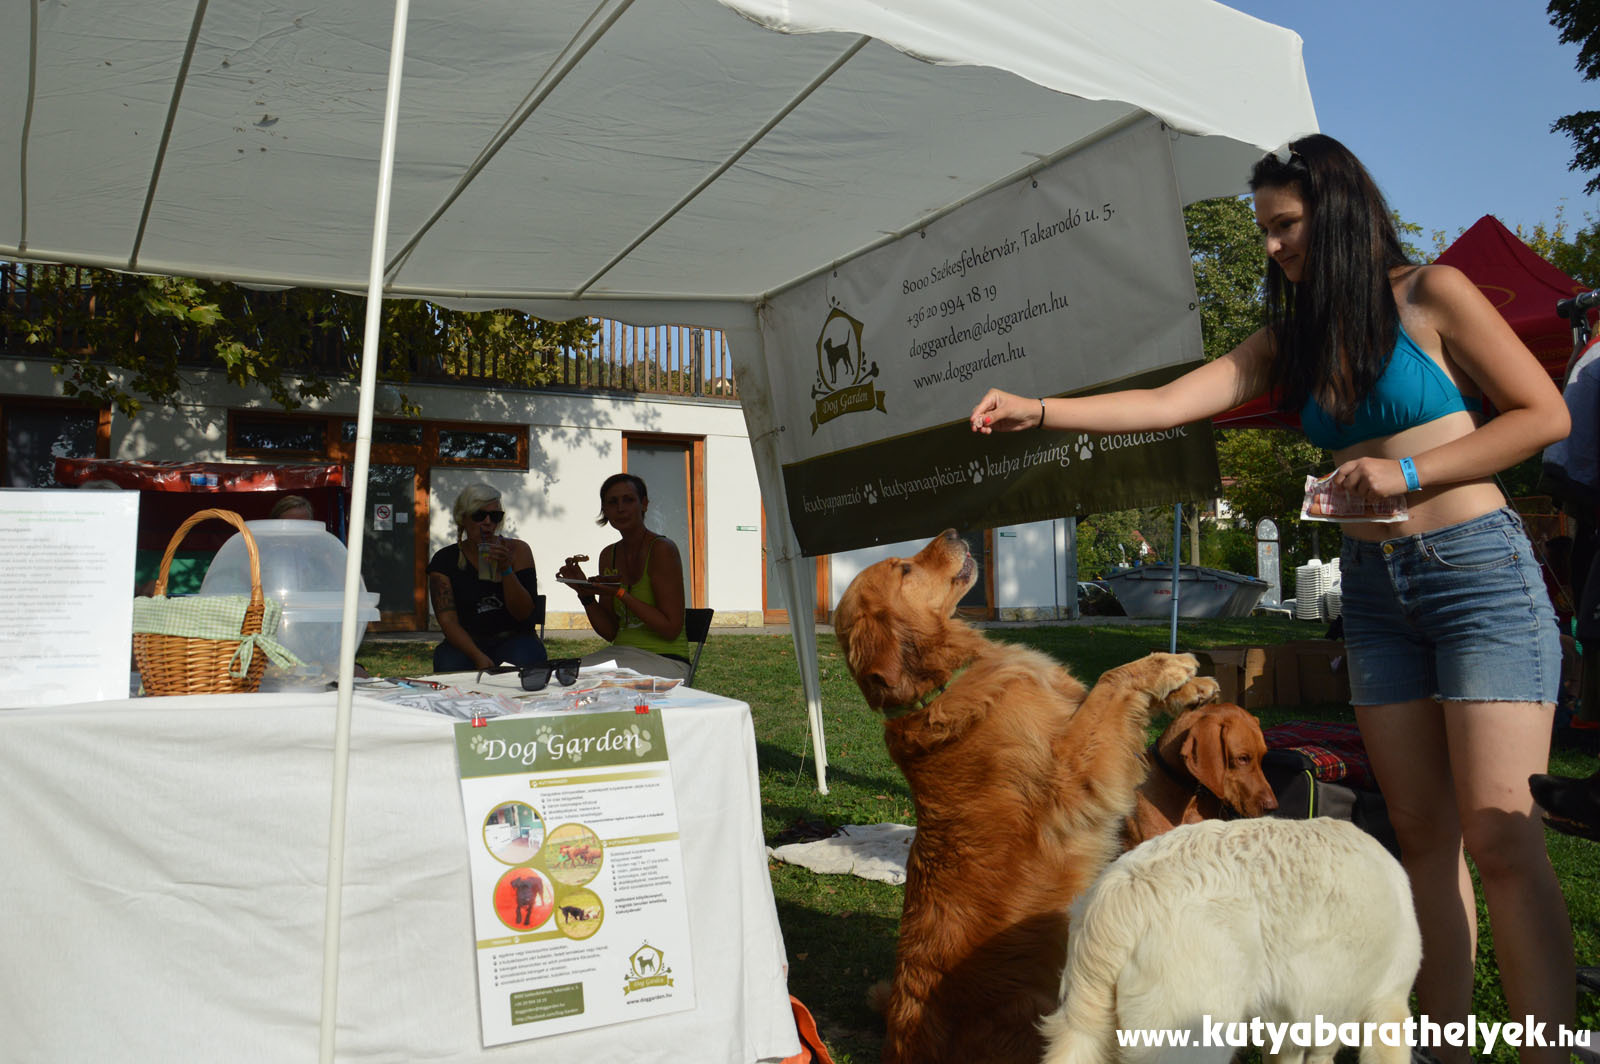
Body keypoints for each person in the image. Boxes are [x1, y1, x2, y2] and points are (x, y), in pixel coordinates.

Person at [970, 134, 1575, 1062]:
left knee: (1502, 841)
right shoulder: (1293, 342)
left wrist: (1408, 467)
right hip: (1375, 592)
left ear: (1335, 212)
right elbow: (1172, 400)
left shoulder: (1432, 294)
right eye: (1264, 229)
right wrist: (1041, 409)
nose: (1271, 247)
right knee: (1424, 838)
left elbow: (1545, 415)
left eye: (1284, 226)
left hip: (1478, 577)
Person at [555, 473, 691, 680]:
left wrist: (620, 593)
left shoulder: (662, 549)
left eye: (628, 500)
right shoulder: (608, 555)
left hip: (666, 659)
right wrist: (585, 594)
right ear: (605, 511)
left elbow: (671, 629)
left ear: (644, 504)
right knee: (560, 675)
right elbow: (610, 632)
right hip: (621, 656)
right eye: (612, 502)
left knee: (577, 679)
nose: (620, 508)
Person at [426, 483, 546, 673]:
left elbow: (524, 613)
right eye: (479, 515)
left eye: (495, 516)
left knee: (526, 659)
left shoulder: (518, 551)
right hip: (468, 641)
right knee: (450, 665)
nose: (488, 522)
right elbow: (448, 621)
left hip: (514, 637)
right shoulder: (445, 559)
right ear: (463, 518)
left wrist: (506, 570)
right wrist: (477, 655)